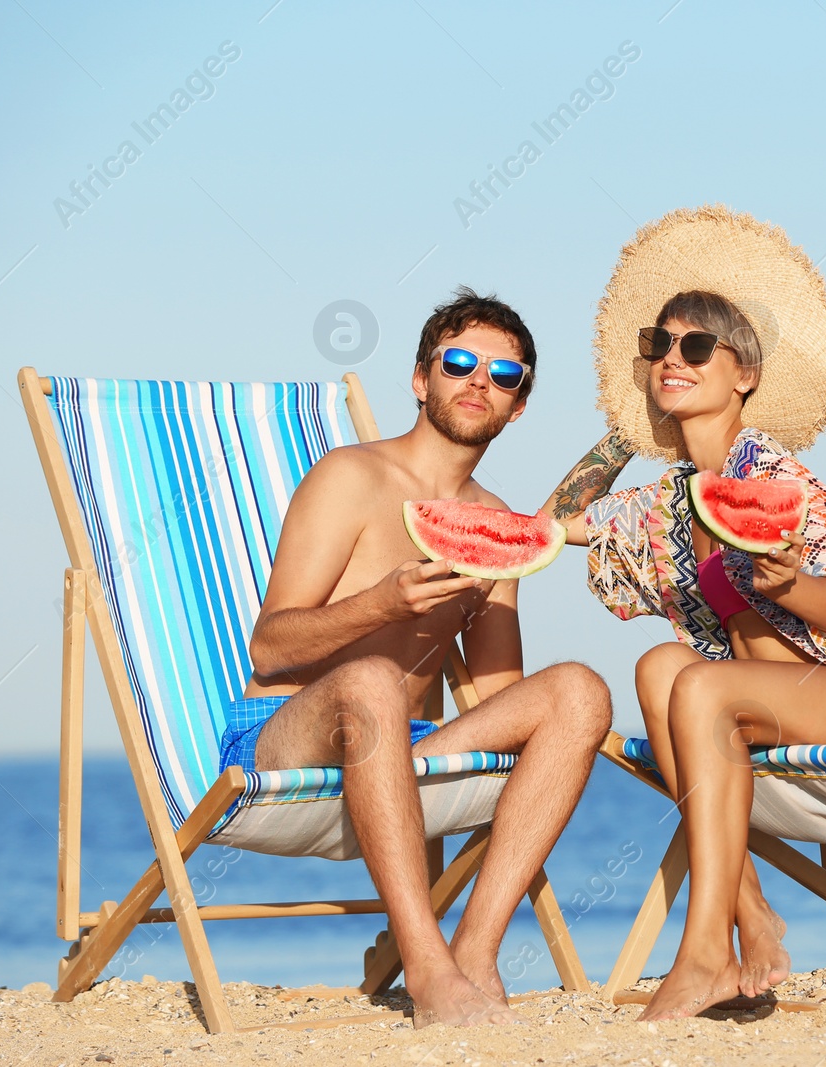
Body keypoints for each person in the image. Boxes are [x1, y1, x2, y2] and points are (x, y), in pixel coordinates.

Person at [549, 207, 826, 1021]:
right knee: (660, 666)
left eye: (697, 347)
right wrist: (627, 427)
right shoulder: (671, 501)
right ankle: (753, 913)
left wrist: (787, 584)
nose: (672, 357)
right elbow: (555, 520)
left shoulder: (779, 480)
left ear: (746, 374)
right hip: (758, 715)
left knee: (693, 687)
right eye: (659, 346)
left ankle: (704, 954)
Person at [227, 288, 613, 1028]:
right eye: (460, 361)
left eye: (505, 376)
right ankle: (426, 966)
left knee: (581, 691)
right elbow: (269, 646)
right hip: (283, 737)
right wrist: (381, 605)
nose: (479, 382)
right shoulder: (351, 477)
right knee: (372, 678)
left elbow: (503, 692)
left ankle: (475, 949)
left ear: (518, 406)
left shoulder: (498, 524)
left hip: (404, 753)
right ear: (420, 378)